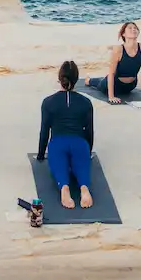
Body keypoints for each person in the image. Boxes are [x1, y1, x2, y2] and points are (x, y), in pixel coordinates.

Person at [38, 59, 96, 209]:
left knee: (58, 164)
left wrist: (40, 155)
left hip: (58, 142)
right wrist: (88, 152)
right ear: (77, 79)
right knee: (82, 166)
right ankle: (84, 187)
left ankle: (64, 187)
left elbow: (44, 131)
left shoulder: (48, 102)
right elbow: (89, 132)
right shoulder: (86, 102)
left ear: (59, 78)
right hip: (79, 142)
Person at [86, 21, 141, 103]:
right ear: (123, 34)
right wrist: (111, 96)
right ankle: (89, 80)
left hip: (131, 85)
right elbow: (111, 73)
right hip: (114, 84)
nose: (133, 29)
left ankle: (99, 79)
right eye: (130, 28)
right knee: (98, 83)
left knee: (105, 79)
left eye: (135, 28)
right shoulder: (118, 49)